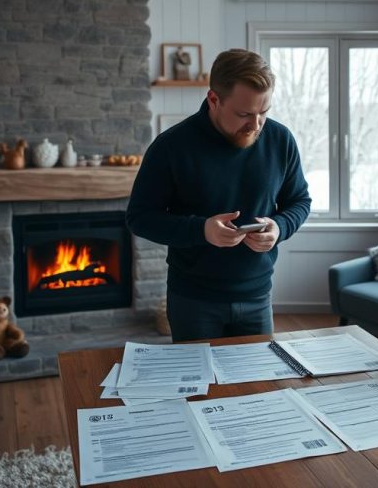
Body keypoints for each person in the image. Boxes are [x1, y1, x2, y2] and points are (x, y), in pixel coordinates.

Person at [126, 48, 311, 342]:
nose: (256, 125)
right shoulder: (171, 146)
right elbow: (139, 218)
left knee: (260, 387)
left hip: (258, 297)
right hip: (193, 302)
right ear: (214, 99)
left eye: (264, 112)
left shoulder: (280, 140)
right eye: (244, 114)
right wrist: (202, 230)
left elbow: (299, 201)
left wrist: (280, 228)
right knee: (199, 389)